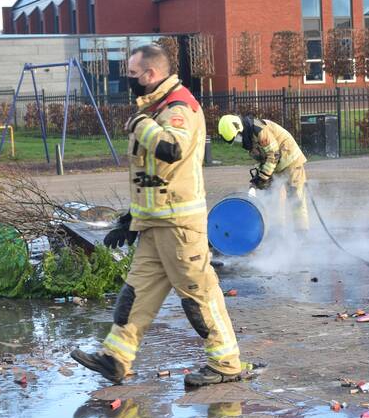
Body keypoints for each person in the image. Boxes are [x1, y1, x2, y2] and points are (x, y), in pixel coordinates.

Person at [71, 45, 248, 388]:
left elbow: (172, 148)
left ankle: (226, 363)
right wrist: (130, 218)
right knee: (135, 294)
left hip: (179, 227)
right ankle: (116, 358)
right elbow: (152, 177)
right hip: (154, 224)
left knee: (199, 297)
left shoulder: (177, 107)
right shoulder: (156, 107)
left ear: (151, 74)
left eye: (133, 74)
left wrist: (140, 125)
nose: (128, 80)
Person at [217, 114, 309, 232]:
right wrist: (258, 177)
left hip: (290, 160)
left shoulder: (259, 130)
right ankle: (277, 232)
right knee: (273, 198)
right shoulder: (249, 135)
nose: (238, 140)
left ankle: (302, 233)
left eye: (237, 136)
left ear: (239, 128)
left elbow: (273, 154)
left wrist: (263, 178)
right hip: (276, 165)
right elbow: (263, 157)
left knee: (296, 199)